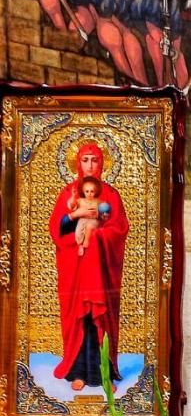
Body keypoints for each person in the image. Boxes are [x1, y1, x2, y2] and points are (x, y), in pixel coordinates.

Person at [47, 141, 129, 390]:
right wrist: (78, 224)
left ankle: (103, 376)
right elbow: (57, 227)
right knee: (80, 319)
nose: (90, 165)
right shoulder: (69, 194)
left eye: (94, 160)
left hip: (101, 273)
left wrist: (99, 235)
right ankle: (78, 373)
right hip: (77, 270)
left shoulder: (111, 195)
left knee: (100, 319)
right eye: (85, 160)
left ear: (102, 163)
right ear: (77, 163)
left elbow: (119, 228)